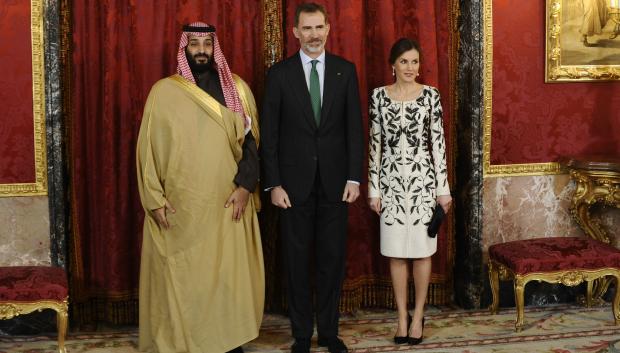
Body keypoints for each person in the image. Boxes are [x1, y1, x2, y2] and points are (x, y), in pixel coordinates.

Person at [136, 22, 264, 353]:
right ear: (184, 48)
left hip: (227, 203)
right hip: (183, 208)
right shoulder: (163, 92)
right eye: (194, 44)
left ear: (215, 47)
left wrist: (245, 187)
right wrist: (154, 200)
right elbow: (146, 151)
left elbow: (252, 146)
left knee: (225, 277)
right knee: (186, 277)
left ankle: (227, 341)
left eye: (207, 43)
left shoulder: (237, 90)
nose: (202, 50)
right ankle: (183, 341)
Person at [260, 3, 363, 353]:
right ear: (295, 32)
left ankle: (330, 333)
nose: (313, 35)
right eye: (307, 29)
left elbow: (354, 130)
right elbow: (269, 136)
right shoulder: (279, 75)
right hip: (292, 188)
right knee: (297, 264)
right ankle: (302, 335)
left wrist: (354, 177)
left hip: (336, 185)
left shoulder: (345, 72)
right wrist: (273, 184)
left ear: (329, 29)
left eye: (319, 27)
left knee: (332, 262)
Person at [367, 38, 452, 346]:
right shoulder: (379, 96)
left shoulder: (431, 96)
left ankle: (418, 316)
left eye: (415, 61)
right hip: (389, 186)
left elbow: (438, 145)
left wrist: (443, 190)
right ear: (393, 64)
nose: (410, 68)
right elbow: (374, 145)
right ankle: (401, 317)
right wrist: (373, 189)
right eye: (404, 61)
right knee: (396, 253)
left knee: (421, 252)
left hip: (423, 186)